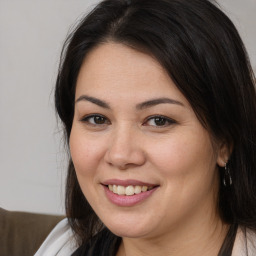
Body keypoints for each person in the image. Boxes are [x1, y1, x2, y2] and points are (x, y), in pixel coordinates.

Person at [35, 0, 256, 255]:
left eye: (158, 120)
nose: (120, 155)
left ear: (224, 140)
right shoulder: (60, 248)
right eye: (97, 119)